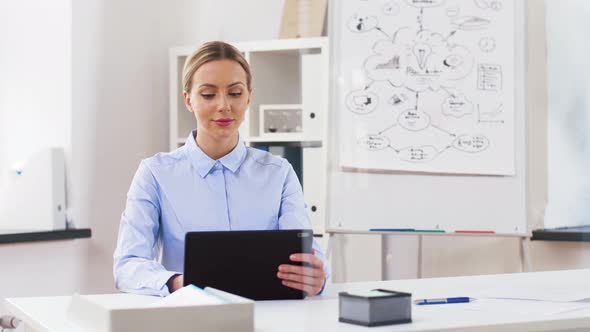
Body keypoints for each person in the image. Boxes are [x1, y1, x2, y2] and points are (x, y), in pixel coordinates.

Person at [113, 41, 329, 297]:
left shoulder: (279, 173)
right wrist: (179, 282)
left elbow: (309, 254)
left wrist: (318, 276)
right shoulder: (155, 173)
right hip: (192, 316)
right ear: (189, 100)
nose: (224, 105)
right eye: (208, 94)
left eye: (235, 93)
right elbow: (127, 266)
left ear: (249, 96)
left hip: (269, 316)